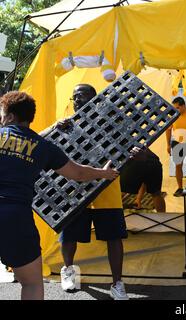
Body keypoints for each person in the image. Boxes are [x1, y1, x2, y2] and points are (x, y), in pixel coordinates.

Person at [0, 91, 119, 300]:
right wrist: (104, 173)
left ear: (9, 116)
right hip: (15, 218)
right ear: (29, 117)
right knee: (32, 284)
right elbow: (78, 173)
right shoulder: (43, 147)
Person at [57, 84, 129, 300]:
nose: (77, 100)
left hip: (107, 188)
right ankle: (68, 270)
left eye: (81, 96)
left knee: (114, 237)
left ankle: (117, 283)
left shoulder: (111, 123)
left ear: (94, 98)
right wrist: (58, 128)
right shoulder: (66, 124)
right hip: (75, 189)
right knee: (69, 235)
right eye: (74, 97)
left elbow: (128, 147)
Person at [120, 147, 166, 212]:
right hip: (153, 161)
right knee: (156, 193)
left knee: (120, 190)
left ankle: (113, 216)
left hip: (137, 162)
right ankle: (162, 218)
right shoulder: (134, 141)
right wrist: (138, 199)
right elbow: (144, 178)